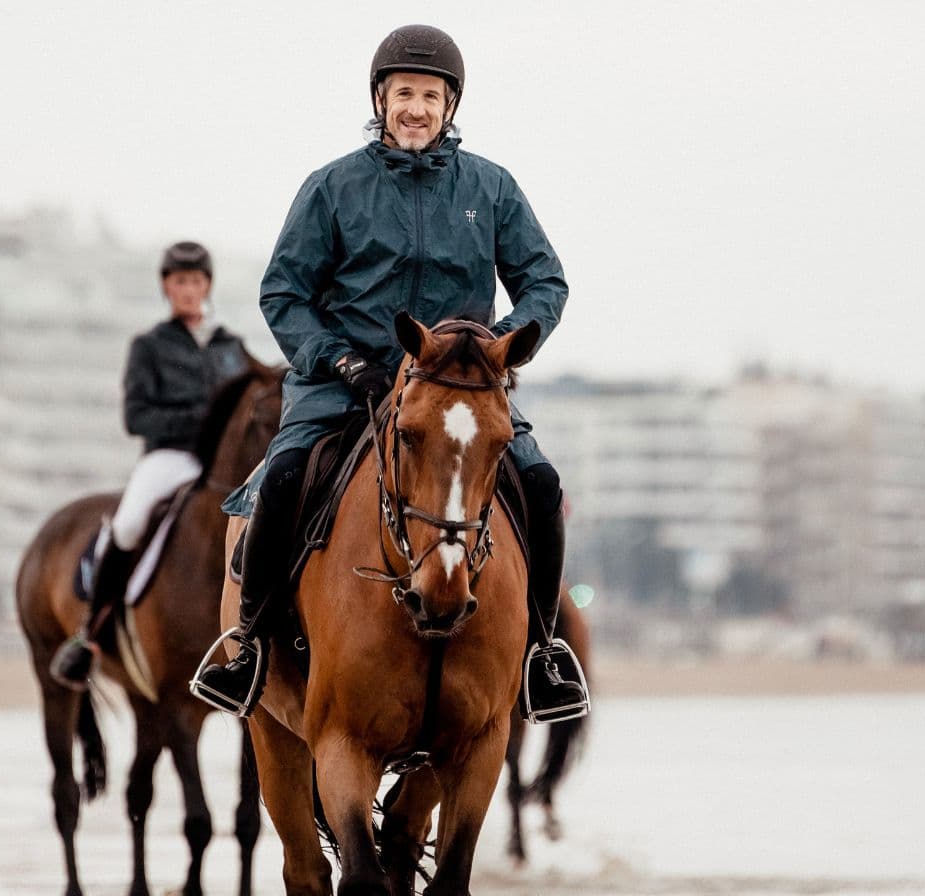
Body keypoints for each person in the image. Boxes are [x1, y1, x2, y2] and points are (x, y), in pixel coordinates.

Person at [192, 25, 589, 723]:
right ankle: (247, 647)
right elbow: (284, 294)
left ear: (450, 107)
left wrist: (496, 348)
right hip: (345, 385)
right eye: (404, 93)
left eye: (430, 96)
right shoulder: (332, 187)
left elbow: (545, 283)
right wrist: (338, 359)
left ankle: (544, 653)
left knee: (541, 483)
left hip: (460, 390)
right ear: (381, 100)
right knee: (281, 481)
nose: (416, 108)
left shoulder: (492, 189)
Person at [50, 241, 248, 687]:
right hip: (170, 456)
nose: (188, 290)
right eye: (180, 282)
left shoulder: (231, 347)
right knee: (128, 523)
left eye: (196, 281)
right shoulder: (150, 346)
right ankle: (92, 635)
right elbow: (136, 416)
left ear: (208, 285)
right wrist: (200, 423)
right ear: (166, 287)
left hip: (226, 465)